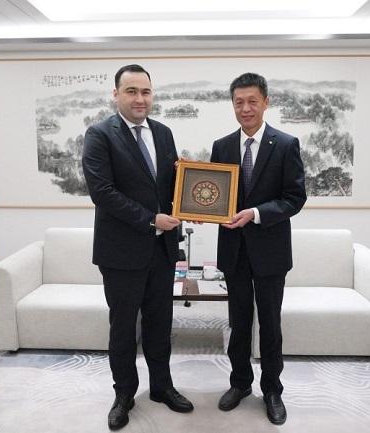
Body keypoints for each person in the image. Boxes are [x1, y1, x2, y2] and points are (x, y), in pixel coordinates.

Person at [82, 64, 194, 431]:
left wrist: (191, 194)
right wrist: (151, 219)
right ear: (116, 94)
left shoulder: (163, 133)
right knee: (123, 328)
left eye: (145, 92)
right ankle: (124, 395)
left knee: (161, 324)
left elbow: (170, 186)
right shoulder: (100, 135)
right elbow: (103, 192)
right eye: (131, 91)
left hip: (162, 251)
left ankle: (161, 387)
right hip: (121, 253)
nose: (140, 99)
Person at [210, 72, 307, 425]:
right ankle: (240, 383)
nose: (245, 108)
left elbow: (294, 198)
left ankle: (272, 390)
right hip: (234, 251)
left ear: (266, 102)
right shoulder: (221, 146)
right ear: (232, 105)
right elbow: (214, 193)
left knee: (270, 324)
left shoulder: (286, 144)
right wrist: (200, 205)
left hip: (270, 251)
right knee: (238, 323)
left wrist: (255, 213)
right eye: (239, 102)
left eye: (252, 101)